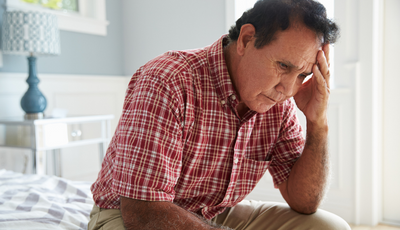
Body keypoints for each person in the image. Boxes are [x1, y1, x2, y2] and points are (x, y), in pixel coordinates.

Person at [89, 0, 351, 229]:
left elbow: (304, 202)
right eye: (283, 66)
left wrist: (318, 122)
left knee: (330, 228)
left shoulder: (278, 102)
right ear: (247, 40)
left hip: (214, 213)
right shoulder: (167, 81)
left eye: (303, 75)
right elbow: (141, 212)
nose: (288, 89)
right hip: (130, 216)